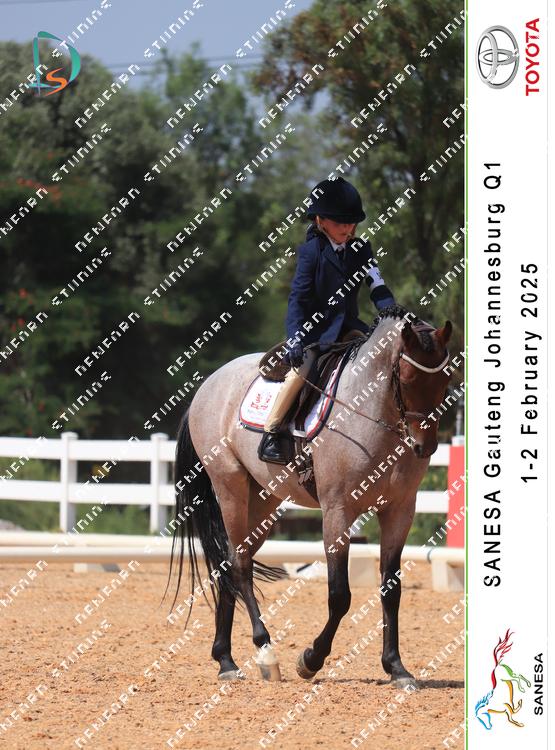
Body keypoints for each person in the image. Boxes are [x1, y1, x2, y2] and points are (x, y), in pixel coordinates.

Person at [259, 176, 396, 464]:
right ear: (320, 221)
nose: (347, 229)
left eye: (351, 223)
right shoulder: (311, 253)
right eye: (339, 223)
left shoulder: (361, 250)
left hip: (351, 330)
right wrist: (296, 338)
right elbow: (298, 299)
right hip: (316, 333)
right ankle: (272, 431)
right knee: (301, 372)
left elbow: (377, 285)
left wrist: (392, 313)